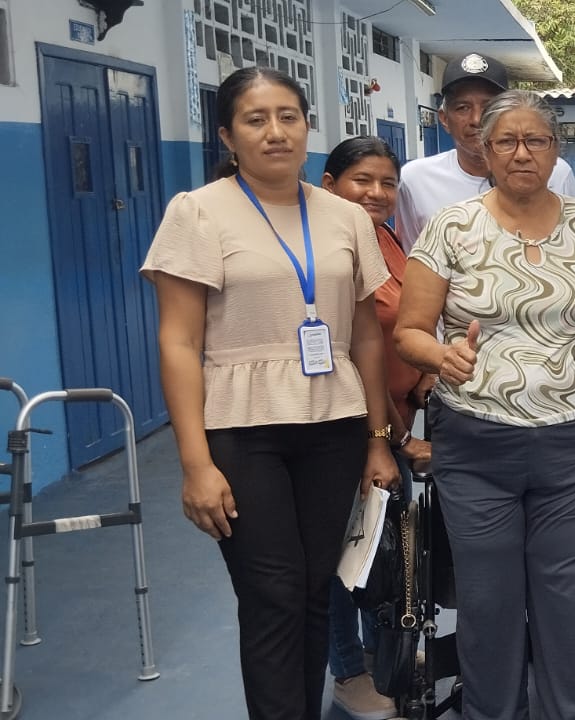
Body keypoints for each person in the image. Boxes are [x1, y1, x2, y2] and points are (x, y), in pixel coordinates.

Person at [141, 67, 401, 720]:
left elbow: (366, 336)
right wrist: (195, 464)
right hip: (241, 429)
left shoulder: (346, 217)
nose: (275, 132)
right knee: (272, 593)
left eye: (288, 116)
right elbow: (178, 343)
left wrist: (377, 440)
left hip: (334, 427)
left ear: (308, 126)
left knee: (313, 590)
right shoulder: (197, 212)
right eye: (255, 119)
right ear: (228, 136)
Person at [394, 89, 575, 720]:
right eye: (506, 141)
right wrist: (441, 357)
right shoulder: (451, 228)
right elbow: (408, 331)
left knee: (570, 591)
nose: (521, 153)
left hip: (572, 442)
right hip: (476, 442)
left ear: (554, 150)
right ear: (484, 150)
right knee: (489, 596)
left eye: (535, 140)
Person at [318, 136, 436, 720]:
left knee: (385, 556)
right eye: (361, 180)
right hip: (358, 430)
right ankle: (349, 670)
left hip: (395, 420)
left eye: (388, 183)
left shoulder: (384, 238)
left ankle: (381, 654)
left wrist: (422, 378)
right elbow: (354, 356)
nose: (377, 193)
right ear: (329, 184)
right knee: (348, 559)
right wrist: (397, 439)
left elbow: (402, 323)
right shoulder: (328, 253)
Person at [394, 52, 575, 252]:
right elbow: (411, 257)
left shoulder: (555, 173)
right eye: (463, 108)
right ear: (444, 119)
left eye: (489, 106)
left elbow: (570, 250)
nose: (476, 119)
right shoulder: (415, 180)